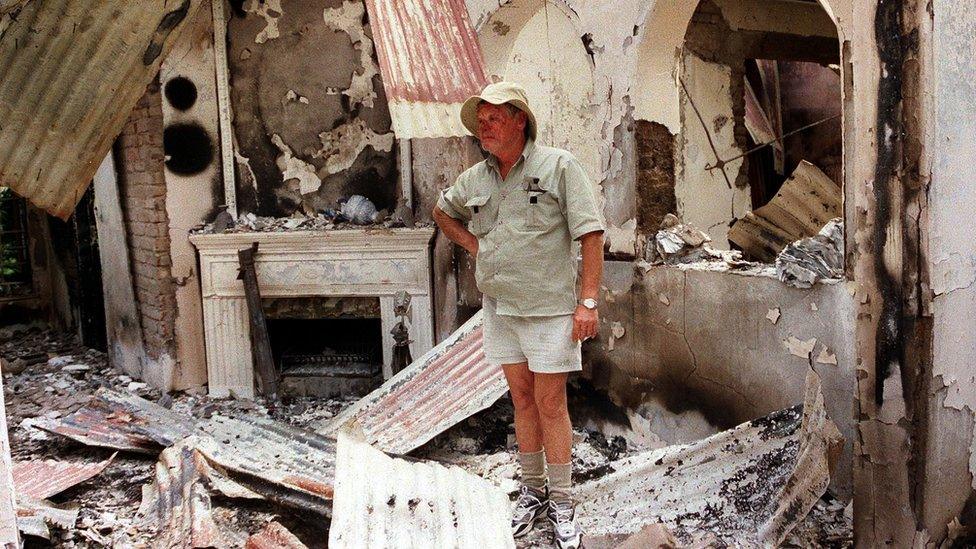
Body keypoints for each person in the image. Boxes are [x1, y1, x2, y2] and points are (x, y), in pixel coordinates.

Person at [432, 81, 604, 549]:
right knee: (522, 401)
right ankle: (532, 492)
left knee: (551, 404)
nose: (484, 128)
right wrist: (473, 243)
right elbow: (442, 212)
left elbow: (591, 234)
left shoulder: (559, 166)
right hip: (501, 308)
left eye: (493, 119)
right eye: (480, 121)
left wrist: (587, 301)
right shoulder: (476, 178)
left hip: (550, 310)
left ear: (518, 120)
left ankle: (563, 502)